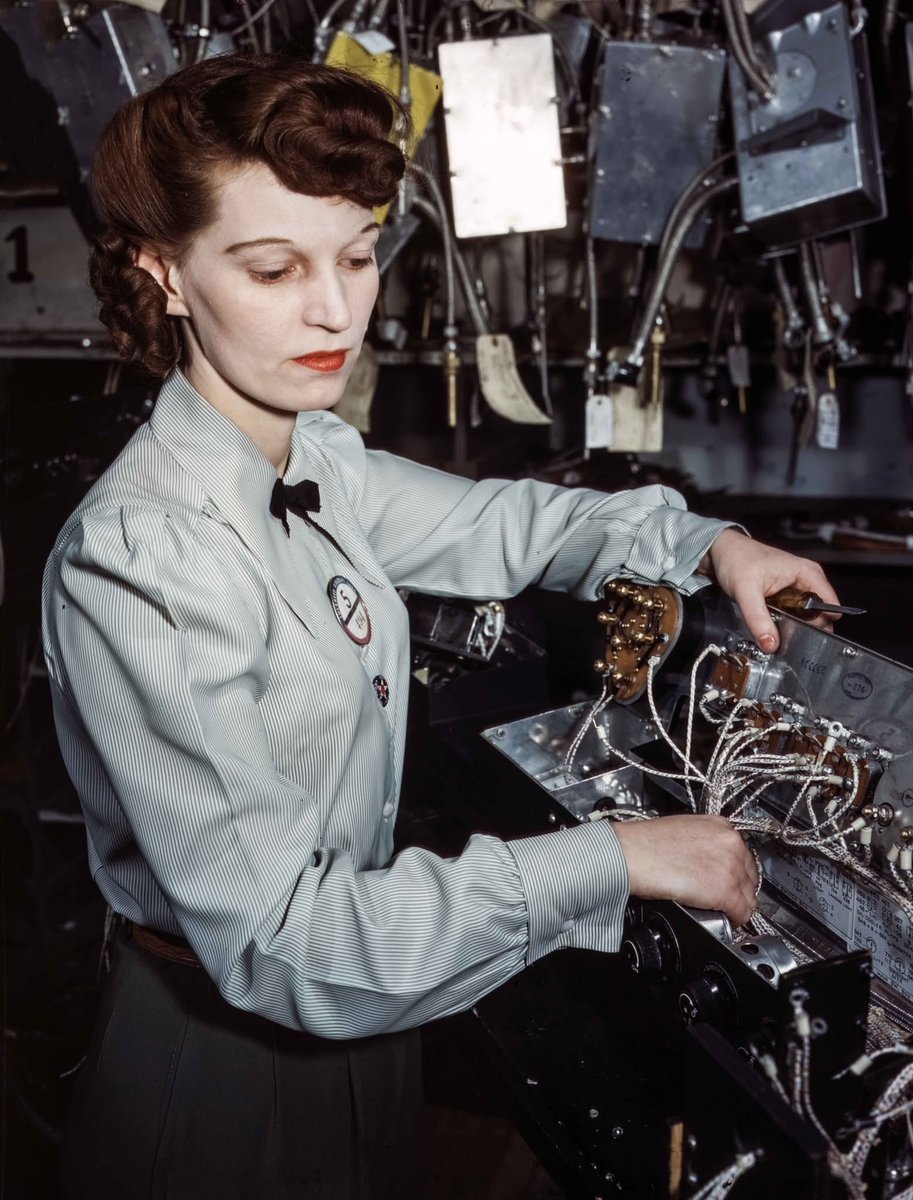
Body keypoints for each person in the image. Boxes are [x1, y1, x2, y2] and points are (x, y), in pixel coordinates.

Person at [41, 51, 840, 1200]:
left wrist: (707, 545)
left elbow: (505, 525)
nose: (334, 309)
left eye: (357, 255)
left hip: (375, 1024)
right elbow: (285, 945)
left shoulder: (311, 456)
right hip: (221, 1058)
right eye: (273, 269)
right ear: (164, 274)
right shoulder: (144, 556)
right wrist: (616, 858)